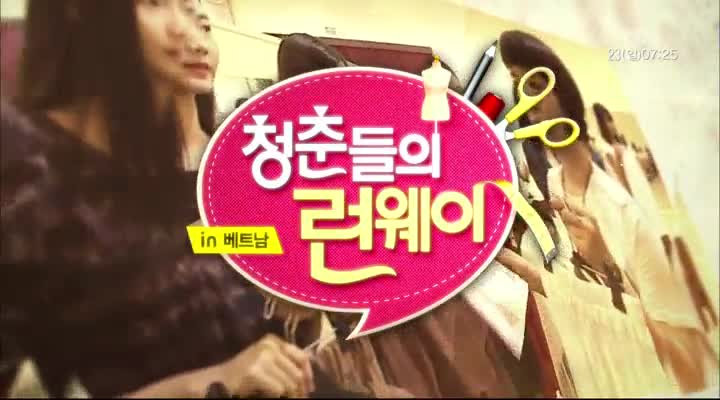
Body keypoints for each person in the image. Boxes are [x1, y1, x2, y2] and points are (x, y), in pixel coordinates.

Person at [1, 1, 318, 397]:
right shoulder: (27, 168)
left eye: (200, 20)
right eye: (155, 2)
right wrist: (213, 382)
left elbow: (202, 242)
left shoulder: (216, 167)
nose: (194, 39)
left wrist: (293, 282)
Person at [498, 29, 718, 394]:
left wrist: (606, 266)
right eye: (517, 84)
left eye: (536, 84)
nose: (527, 98)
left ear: (563, 91)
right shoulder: (552, 185)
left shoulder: (623, 210)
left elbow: (688, 364)